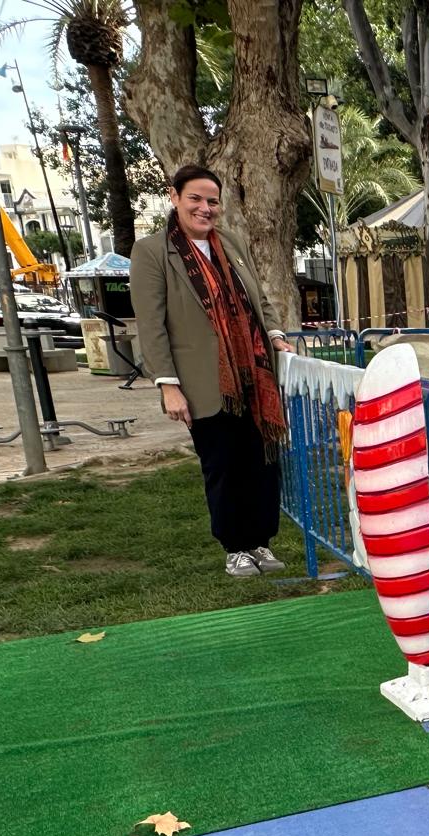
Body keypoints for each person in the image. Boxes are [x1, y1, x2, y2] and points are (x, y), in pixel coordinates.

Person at [129, 164, 294, 577]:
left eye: (212, 201)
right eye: (196, 199)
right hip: (204, 381)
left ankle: (261, 541)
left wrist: (273, 332)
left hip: (253, 375)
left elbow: (259, 296)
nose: (205, 208)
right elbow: (151, 324)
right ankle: (235, 547)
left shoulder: (232, 243)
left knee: (262, 461)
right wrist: (167, 385)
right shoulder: (152, 252)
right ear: (174, 198)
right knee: (222, 464)